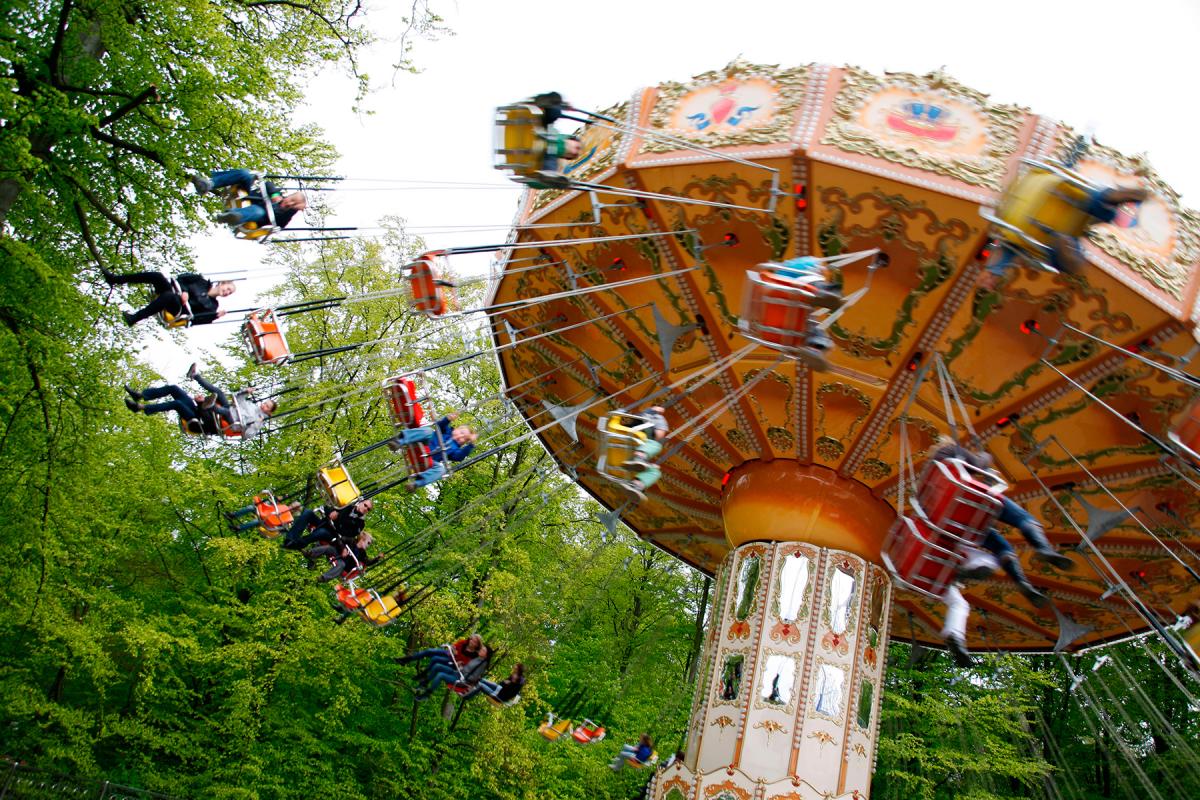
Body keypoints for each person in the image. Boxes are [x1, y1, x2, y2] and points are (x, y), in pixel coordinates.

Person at [981, 182, 1150, 288]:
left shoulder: (1007, 238)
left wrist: (993, 270)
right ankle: (1109, 197)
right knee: (1093, 207)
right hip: (1057, 207)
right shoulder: (1006, 236)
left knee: (1065, 260)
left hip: (1037, 225)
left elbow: (1006, 248)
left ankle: (1066, 246)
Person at [124, 365, 277, 438]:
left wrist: (257, 421)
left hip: (213, 423)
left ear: (268, 412)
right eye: (266, 402)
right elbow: (236, 398)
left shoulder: (258, 422)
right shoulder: (251, 405)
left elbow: (247, 434)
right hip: (207, 412)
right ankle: (142, 396)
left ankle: (141, 407)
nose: (264, 405)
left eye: (267, 406)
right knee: (174, 389)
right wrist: (245, 392)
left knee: (178, 404)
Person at [102, 268, 234, 326]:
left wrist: (214, 316)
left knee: (169, 296)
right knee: (157, 276)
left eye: (230, 293)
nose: (227, 292)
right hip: (174, 292)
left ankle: (134, 318)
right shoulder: (200, 281)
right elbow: (181, 278)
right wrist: (185, 291)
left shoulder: (213, 306)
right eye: (227, 288)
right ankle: (115, 279)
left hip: (178, 308)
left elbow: (197, 320)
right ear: (222, 283)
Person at [190, 169, 307, 231]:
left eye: (293, 205)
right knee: (244, 174)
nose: (289, 203)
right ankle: (208, 185)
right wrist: (274, 195)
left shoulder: (284, 215)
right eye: (291, 199)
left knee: (258, 212)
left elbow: (280, 225)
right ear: (288, 195)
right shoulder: (277, 194)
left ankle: (232, 216)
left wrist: (292, 210)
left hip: (257, 212)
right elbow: (268, 184)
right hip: (250, 195)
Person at [391, 412, 478, 490]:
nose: (461, 437)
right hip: (422, 445)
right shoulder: (446, 431)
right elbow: (440, 425)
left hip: (429, 460)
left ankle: (416, 484)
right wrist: (447, 419)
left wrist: (470, 445)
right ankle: (399, 442)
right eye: (461, 433)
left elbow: (459, 457)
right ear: (456, 429)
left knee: (442, 469)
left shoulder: (455, 450)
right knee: (428, 431)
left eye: (464, 439)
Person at [283, 497, 374, 550]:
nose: (365, 508)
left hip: (332, 535)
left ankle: (299, 543)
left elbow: (347, 534)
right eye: (365, 505)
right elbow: (328, 506)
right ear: (361, 503)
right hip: (324, 522)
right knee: (307, 512)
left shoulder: (360, 524)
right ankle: (291, 538)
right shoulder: (347, 505)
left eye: (368, 509)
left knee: (322, 532)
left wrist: (338, 521)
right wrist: (331, 512)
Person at [622, 407, 669, 501]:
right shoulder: (644, 431)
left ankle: (635, 485)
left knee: (655, 471)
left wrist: (650, 465)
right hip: (630, 449)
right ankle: (639, 459)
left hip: (624, 452)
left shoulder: (644, 439)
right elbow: (658, 434)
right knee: (656, 445)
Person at [416, 645, 490, 700]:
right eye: (481, 649)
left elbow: (473, 677)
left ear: (486, 655)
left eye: (483, 650)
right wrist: (460, 665)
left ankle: (427, 694)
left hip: (462, 680)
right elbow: (468, 667)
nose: (480, 650)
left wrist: (463, 673)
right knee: (438, 666)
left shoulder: (483, 664)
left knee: (440, 675)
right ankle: (424, 683)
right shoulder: (476, 658)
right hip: (457, 673)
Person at [307, 530, 379, 583]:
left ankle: (323, 578)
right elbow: (340, 540)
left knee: (341, 565)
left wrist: (377, 558)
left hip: (343, 561)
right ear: (362, 539)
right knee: (328, 548)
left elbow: (367, 562)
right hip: (337, 552)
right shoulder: (351, 540)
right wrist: (343, 548)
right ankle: (310, 553)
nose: (368, 546)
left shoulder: (362, 553)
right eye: (368, 543)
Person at [226, 496, 301, 533]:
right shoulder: (282, 506)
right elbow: (271, 505)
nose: (290, 507)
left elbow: (284, 528)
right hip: (265, 513)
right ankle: (233, 515)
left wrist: (283, 526)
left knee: (256, 521)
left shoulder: (289, 518)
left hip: (268, 522)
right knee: (251, 507)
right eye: (291, 506)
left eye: (292, 508)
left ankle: (238, 528)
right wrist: (276, 499)